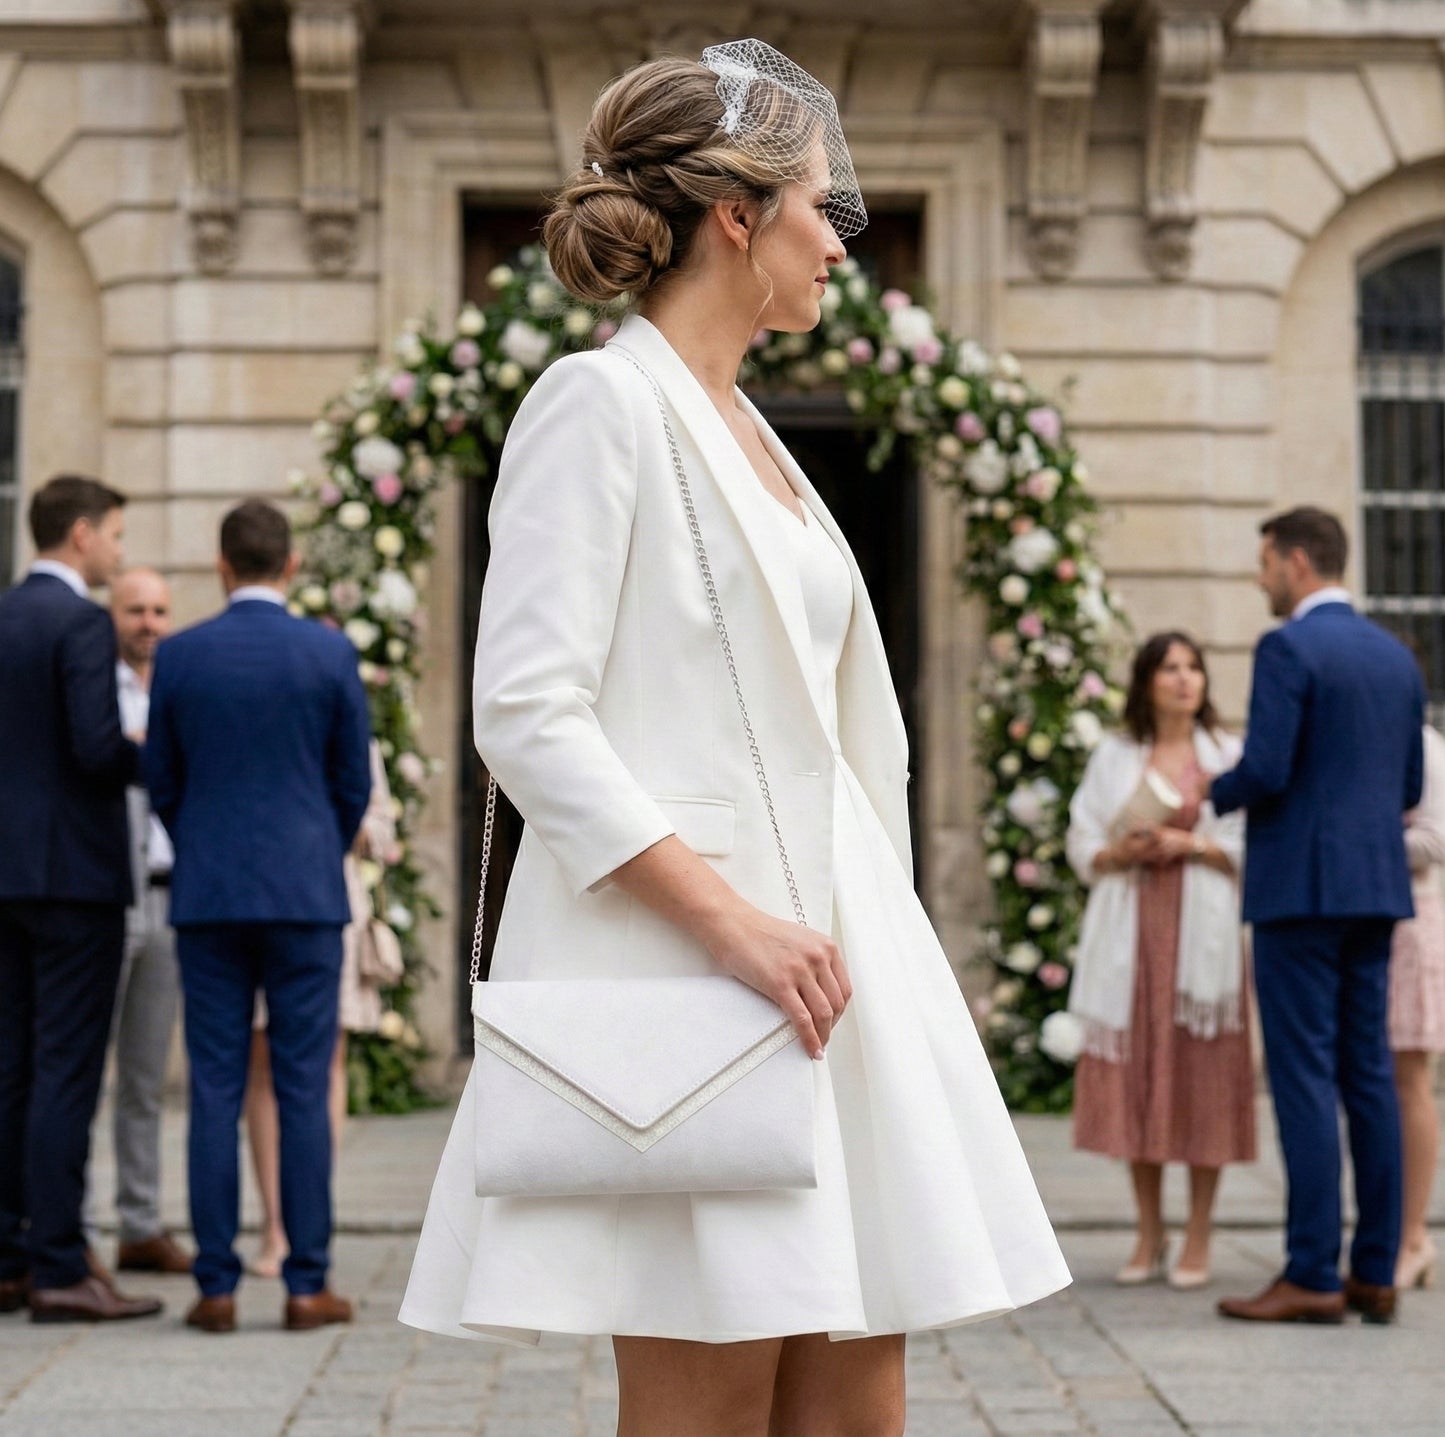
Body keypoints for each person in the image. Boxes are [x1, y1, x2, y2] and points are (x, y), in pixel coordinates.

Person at [399, 40, 1069, 1436]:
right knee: (707, 1404)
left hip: (835, 971)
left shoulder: (746, 423)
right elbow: (526, 709)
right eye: (821, 204)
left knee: (854, 1402)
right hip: (707, 982)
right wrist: (732, 925)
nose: (842, 240)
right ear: (736, 216)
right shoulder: (602, 402)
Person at [144, 499, 372, 1335]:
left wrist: (203, 843)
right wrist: (317, 848)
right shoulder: (328, 651)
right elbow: (352, 779)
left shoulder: (181, 655)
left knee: (213, 1086)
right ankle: (307, 1283)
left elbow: (162, 778)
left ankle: (215, 1285)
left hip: (208, 894)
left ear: (222, 564)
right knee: (304, 1087)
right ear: (291, 565)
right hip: (305, 895)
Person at [1211, 506, 1425, 1325]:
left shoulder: (1287, 646)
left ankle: (1309, 1270)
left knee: (1302, 1076)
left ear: (1298, 561)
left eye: (1265, 562)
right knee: (1366, 1073)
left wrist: (1209, 793)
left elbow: (1263, 767)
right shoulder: (1395, 657)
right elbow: (1406, 786)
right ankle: (1373, 1271)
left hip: (1299, 887)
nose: (1259, 578)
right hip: (1373, 888)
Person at [0, 475, 162, 1323]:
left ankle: (8, 1256)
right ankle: (61, 1263)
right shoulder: (78, 623)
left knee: (11, 1067)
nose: (119, 552)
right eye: (115, 536)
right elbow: (97, 751)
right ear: (80, 534)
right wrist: (160, 748)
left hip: (7, 877)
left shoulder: (4, 612)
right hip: (74, 876)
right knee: (66, 1071)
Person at [1066, 632, 1254, 1290]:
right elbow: (1081, 832)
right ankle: (1148, 1228)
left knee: (1203, 1075)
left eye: (1193, 667)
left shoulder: (1228, 753)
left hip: (1202, 930)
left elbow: (1250, 837)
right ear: (1146, 681)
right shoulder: (1115, 756)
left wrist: (1188, 842)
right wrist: (1119, 852)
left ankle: (1198, 1229)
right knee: (1138, 1073)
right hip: (1132, 925)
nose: (1183, 679)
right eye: (1169, 668)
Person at [243, 740, 397, 1279]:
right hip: (260, 902)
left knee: (326, 1063)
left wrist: (346, 823)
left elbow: (383, 831)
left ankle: (310, 1219)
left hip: (334, 903)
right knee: (262, 1063)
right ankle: (274, 1226)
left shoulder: (351, 730)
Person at [104, 567, 193, 1276]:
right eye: (135, 609)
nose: (149, 622)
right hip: (104, 894)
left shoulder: (183, 685)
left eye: (160, 610)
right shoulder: (91, 685)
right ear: (113, 614)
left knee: (144, 1073)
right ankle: (68, 1224)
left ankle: (139, 1220)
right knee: (75, 1069)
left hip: (171, 894)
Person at [1388, 715, 1445, 1290]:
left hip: (1411, 921)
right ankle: (1385, 1232)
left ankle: (1414, 1236)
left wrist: (1359, 833)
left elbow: (1438, 838)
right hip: (1362, 925)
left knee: (1411, 1079)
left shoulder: (1423, 743)